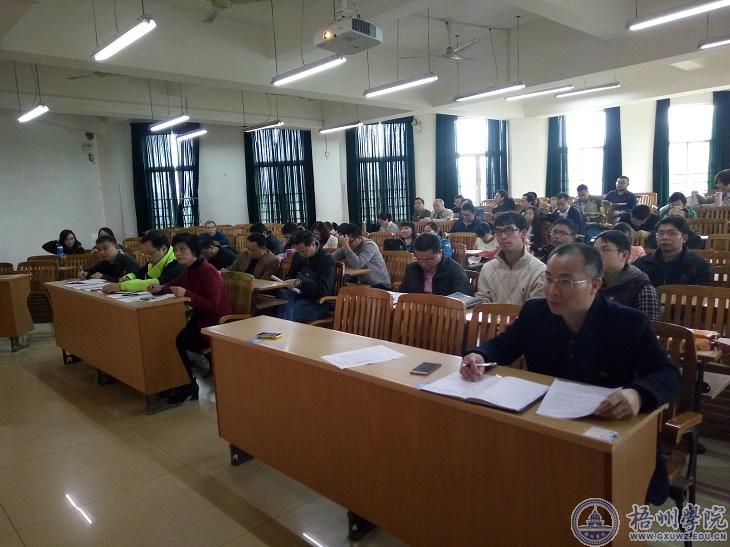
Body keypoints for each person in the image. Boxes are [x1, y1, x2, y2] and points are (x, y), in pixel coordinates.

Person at [461, 243, 682, 504]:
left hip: (606, 431)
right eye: (549, 279)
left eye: (565, 282)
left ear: (595, 285)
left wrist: (637, 394)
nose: (552, 290)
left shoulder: (627, 322)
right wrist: (480, 355)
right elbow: (503, 346)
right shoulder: (535, 312)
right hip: (545, 427)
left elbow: (669, 374)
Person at [149, 233, 231, 412]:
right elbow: (173, 285)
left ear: (194, 251)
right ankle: (175, 382)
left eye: (182, 249)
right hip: (199, 320)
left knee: (179, 339)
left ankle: (187, 386)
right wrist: (159, 289)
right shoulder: (188, 270)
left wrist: (186, 294)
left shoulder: (208, 271)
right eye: (176, 249)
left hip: (214, 324)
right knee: (165, 334)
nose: (178, 253)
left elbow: (212, 306)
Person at [476, 212, 545, 304]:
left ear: (523, 233)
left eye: (509, 230)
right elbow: (482, 302)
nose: (503, 236)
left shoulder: (539, 271)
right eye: (498, 231)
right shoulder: (487, 268)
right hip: (491, 314)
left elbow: (535, 309)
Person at [594, 230, 660, 320]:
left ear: (624, 255)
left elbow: (650, 325)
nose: (597, 255)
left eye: (605, 250)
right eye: (595, 250)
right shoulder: (589, 281)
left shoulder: (642, 287)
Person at [276, 230, 336, 322]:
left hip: (317, 301)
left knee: (285, 312)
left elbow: (323, 290)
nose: (301, 254)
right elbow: (291, 276)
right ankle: (283, 324)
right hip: (298, 294)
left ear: (313, 244)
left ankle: (283, 326)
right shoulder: (298, 255)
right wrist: (287, 282)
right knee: (282, 294)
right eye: (298, 251)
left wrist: (299, 283)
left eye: (304, 251)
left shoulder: (326, 259)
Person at [634, 216, 711, 287]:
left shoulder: (700, 266)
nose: (665, 237)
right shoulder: (642, 263)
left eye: (671, 233)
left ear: (684, 238)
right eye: (660, 233)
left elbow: (701, 295)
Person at [102, 230, 181, 293]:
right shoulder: (156, 259)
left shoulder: (176, 261)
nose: (146, 257)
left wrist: (121, 286)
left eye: (149, 253)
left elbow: (157, 282)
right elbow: (140, 274)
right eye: (144, 253)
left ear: (163, 249)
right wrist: (128, 277)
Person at [399, 233, 473, 296]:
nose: (424, 264)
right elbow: (403, 294)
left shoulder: (454, 270)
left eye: (430, 259)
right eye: (420, 259)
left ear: (440, 253)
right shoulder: (412, 268)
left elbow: (462, 297)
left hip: (444, 307)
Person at [333, 224, 391, 289]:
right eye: (346, 242)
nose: (348, 244)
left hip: (379, 285)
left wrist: (346, 245)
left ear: (359, 238)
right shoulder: (347, 246)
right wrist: (340, 245)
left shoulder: (369, 245)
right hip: (363, 284)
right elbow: (331, 258)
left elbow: (358, 264)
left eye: (350, 242)